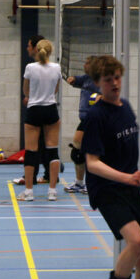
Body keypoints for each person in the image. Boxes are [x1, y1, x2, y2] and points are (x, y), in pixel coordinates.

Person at [82, 55, 140, 279]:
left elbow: (129, 154)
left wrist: (137, 182)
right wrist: (127, 178)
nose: (114, 83)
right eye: (107, 79)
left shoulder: (125, 108)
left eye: (117, 77)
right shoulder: (95, 116)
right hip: (107, 189)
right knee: (137, 241)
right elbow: (91, 163)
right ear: (98, 83)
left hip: (129, 186)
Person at [16, 39, 61, 201]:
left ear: (37, 51)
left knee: (31, 151)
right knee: (53, 150)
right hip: (50, 109)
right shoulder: (57, 67)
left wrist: (31, 96)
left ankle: (28, 192)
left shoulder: (30, 67)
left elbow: (25, 90)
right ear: (50, 51)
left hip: (34, 110)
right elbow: (55, 89)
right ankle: (52, 191)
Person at [63, 55, 102, 194]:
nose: (84, 65)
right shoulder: (86, 78)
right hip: (85, 119)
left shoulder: (101, 81)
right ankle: (80, 183)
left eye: (87, 63)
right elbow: (76, 80)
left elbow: (111, 96)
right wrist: (72, 79)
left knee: (86, 150)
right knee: (77, 153)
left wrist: (101, 98)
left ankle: (93, 184)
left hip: (95, 120)